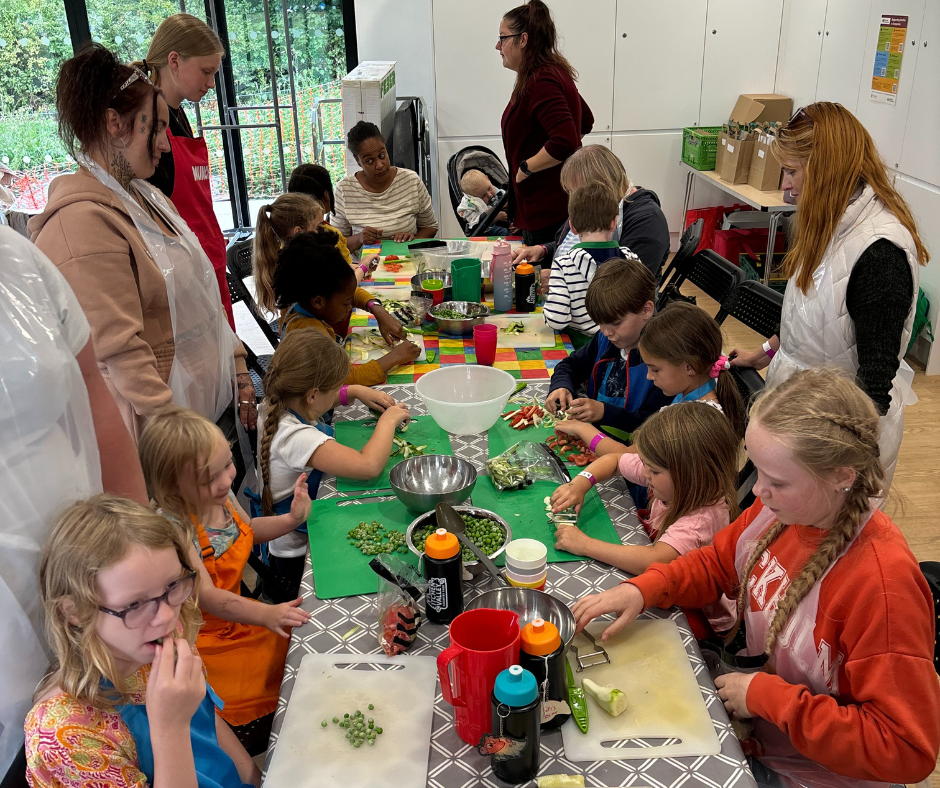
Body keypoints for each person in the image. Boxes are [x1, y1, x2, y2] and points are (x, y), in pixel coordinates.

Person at [570, 368, 940, 787]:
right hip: (763, 734)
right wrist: (644, 588)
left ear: (842, 476)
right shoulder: (783, 509)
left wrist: (767, 697)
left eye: (777, 481)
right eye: (757, 471)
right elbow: (716, 564)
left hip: (817, 773)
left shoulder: (882, 589)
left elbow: (906, 748)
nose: (757, 492)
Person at [28, 45, 257, 444]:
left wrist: (237, 366)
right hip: (166, 438)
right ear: (115, 123)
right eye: (156, 128)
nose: (166, 144)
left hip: (209, 412)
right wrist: (181, 438)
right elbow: (122, 354)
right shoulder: (81, 224)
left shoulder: (149, 199)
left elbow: (202, 296)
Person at [0, 228, 148, 782]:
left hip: (85, 567)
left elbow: (93, 392)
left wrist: (145, 545)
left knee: (112, 730)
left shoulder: (19, 260)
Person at [730, 103, 928, 488]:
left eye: (792, 172)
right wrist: (765, 353)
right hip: (797, 414)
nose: (785, 185)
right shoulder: (826, 222)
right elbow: (807, 317)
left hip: (833, 442)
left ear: (826, 168)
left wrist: (830, 466)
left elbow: (873, 386)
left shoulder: (879, 252)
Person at [26, 495, 260, 787]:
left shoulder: (158, 641)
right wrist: (170, 729)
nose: (166, 617)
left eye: (172, 585)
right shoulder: (64, 738)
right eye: (135, 604)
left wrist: (259, 779)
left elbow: (210, 724)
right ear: (76, 612)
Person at [138, 405, 312, 755]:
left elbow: (246, 531)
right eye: (208, 478)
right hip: (204, 639)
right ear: (171, 485)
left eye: (228, 465)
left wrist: (290, 520)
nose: (226, 479)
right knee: (264, 683)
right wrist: (267, 614)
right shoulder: (174, 526)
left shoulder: (221, 495)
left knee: (300, 652)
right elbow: (211, 599)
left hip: (239, 619)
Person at [551, 403, 739, 639]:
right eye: (646, 466)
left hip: (699, 618)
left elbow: (655, 560)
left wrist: (584, 544)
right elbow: (616, 461)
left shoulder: (700, 520)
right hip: (666, 582)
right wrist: (581, 483)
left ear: (690, 474)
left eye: (654, 472)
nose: (645, 474)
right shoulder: (668, 475)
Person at [255, 329, 411, 601]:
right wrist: (388, 421)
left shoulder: (274, 401)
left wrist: (351, 391)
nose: (337, 393)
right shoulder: (295, 437)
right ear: (312, 396)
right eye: (334, 388)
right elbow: (369, 466)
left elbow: (315, 400)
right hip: (296, 557)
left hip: (287, 538)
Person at [138, 14, 234, 328]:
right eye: (206, 72)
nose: (210, 83)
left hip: (206, 258)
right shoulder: (147, 125)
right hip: (184, 274)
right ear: (174, 61)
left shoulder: (178, 114)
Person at [498, 0, 593, 246]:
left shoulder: (541, 82)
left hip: (548, 210)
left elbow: (565, 140)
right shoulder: (551, 73)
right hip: (549, 206)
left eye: (503, 37)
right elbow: (585, 120)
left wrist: (526, 168)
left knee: (542, 281)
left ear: (523, 40)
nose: (498, 46)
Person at [545, 259, 670, 443]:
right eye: (600, 323)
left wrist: (604, 412)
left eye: (616, 323)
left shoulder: (663, 363)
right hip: (593, 437)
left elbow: (654, 422)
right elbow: (570, 365)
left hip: (631, 451)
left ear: (646, 310)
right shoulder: (606, 340)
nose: (606, 331)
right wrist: (561, 385)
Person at [275, 231, 421, 385]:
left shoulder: (301, 296)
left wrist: (377, 309)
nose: (350, 307)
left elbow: (349, 292)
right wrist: (395, 357)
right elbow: (345, 379)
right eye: (346, 304)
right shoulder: (310, 336)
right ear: (318, 302)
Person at [251, 193, 400, 341]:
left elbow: (340, 288)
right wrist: (363, 268)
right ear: (299, 232)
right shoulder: (308, 330)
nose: (325, 229)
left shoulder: (304, 262)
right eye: (318, 226)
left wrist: (375, 307)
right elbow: (340, 290)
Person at [512, 144, 671, 283]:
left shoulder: (647, 220)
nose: (574, 199)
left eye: (576, 192)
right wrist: (542, 250)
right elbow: (578, 241)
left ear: (603, 185)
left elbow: (628, 286)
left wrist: (561, 279)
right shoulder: (597, 206)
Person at [542, 182, 640, 339]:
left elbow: (557, 319)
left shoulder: (564, 265)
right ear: (614, 222)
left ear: (572, 227)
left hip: (581, 348)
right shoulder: (631, 258)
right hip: (623, 346)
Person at [331, 121, 437, 254]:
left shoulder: (411, 181)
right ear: (358, 161)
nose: (380, 165)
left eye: (382, 155)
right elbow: (335, 245)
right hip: (363, 269)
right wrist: (359, 239)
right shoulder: (344, 190)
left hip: (407, 262)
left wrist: (413, 240)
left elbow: (430, 227)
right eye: (369, 161)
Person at [457, 169, 510, 235]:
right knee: (504, 232)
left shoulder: (498, 192)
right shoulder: (470, 205)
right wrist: (494, 218)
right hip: (486, 230)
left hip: (505, 222)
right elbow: (474, 224)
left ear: (487, 178)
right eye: (483, 196)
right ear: (473, 197)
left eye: (489, 189)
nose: (489, 195)